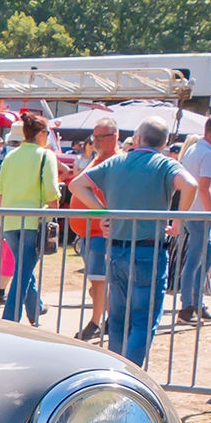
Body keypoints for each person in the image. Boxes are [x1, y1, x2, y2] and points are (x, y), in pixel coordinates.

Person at [69, 116, 199, 367]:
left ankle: (117, 370)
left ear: (137, 138)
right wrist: (179, 221)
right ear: (163, 143)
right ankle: (132, 372)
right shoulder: (164, 164)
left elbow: (77, 185)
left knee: (117, 318)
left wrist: (103, 212)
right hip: (149, 250)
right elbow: (190, 185)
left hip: (116, 248)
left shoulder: (116, 161)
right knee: (143, 319)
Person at [0, 112, 60, 325]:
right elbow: (51, 191)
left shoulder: (11, 156)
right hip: (33, 222)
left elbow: (0, 191)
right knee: (23, 272)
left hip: (10, 222)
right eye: (48, 133)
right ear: (41, 134)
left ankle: (35, 309)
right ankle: (10, 320)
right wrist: (55, 218)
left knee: (24, 268)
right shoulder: (45, 155)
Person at [176, 113, 211, 322]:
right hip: (200, 214)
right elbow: (205, 187)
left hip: (195, 212)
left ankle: (196, 303)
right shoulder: (206, 153)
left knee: (204, 257)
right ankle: (187, 306)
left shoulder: (194, 149)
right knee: (195, 260)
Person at [74, 117, 122, 341]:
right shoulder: (99, 160)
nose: (95, 142)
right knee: (98, 282)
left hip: (100, 233)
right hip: (90, 232)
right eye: (94, 137)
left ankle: (96, 321)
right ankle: (106, 319)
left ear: (114, 137)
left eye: (100, 137)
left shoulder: (115, 161)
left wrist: (104, 212)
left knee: (100, 280)